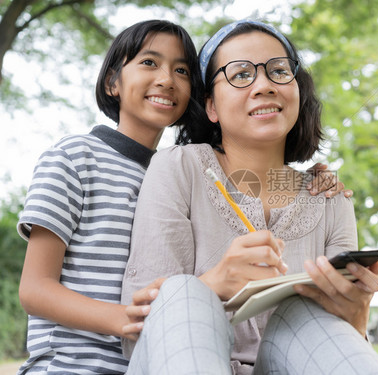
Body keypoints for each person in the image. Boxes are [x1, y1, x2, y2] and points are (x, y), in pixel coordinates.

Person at [15, 19, 347, 375]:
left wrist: (315, 181)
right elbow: (34, 289)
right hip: (71, 364)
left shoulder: (180, 173)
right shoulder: (76, 157)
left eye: (182, 70)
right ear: (113, 81)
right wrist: (127, 317)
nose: (166, 79)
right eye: (148, 62)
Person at [121, 19, 378, 374]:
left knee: (309, 313)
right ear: (212, 107)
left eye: (279, 71)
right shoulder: (178, 168)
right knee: (183, 292)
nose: (264, 85)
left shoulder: (330, 199)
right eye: (241, 74)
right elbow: (141, 327)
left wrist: (356, 317)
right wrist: (210, 285)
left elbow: (334, 346)